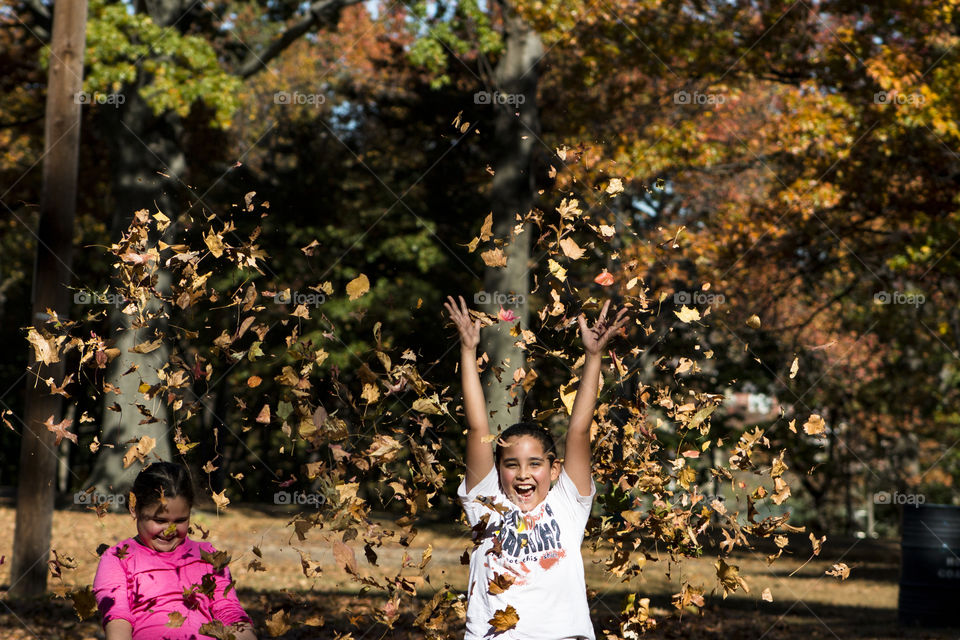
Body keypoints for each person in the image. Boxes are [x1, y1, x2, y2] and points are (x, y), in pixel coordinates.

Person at [444, 295, 629, 640]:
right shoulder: (485, 501)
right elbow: (478, 429)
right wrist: (468, 351)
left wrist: (593, 357)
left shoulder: (568, 505)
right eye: (511, 465)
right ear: (497, 470)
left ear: (555, 469)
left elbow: (578, 430)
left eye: (534, 464)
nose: (524, 474)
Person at [93, 461, 257, 640]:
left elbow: (229, 612)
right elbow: (117, 619)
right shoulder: (117, 559)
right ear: (134, 508)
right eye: (160, 520)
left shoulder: (208, 556)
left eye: (180, 520)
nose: (169, 530)